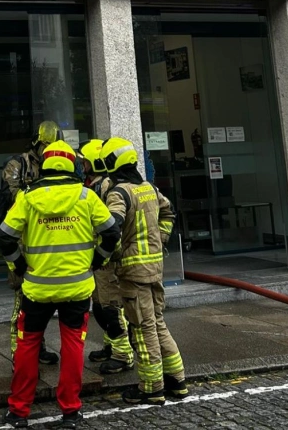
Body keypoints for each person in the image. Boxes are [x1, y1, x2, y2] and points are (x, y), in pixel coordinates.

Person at [0, 140, 121, 429]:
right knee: (73, 347)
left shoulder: (27, 197)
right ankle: (71, 411)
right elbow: (112, 233)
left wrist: (18, 265)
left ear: (45, 166)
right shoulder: (86, 196)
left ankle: (19, 412)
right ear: (71, 165)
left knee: (28, 346)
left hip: (36, 288)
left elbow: (4, 236)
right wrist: (97, 260)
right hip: (77, 289)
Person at [98, 137, 189, 405]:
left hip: (132, 272)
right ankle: (177, 380)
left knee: (142, 328)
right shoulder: (147, 187)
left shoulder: (119, 192)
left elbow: (111, 225)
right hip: (154, 268)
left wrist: (105, 254)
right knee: (158, 322)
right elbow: (168, 212)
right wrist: (159, 240)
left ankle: (151, 388)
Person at [0, 120, 65, 366]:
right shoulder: (19, 164)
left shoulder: (56, 164)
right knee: (22, 300)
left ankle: (39, 347)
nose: (49, 151)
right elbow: (10, 193)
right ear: (37, 143)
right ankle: (20, 354)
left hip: (45, 240)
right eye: (46, 146)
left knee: (43, 303)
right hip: (21, 241)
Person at [77, 139, 134, 375]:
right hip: (99, 256)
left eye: (85, 162)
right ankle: (111, 346)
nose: (83, 166)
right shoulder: (96, 185)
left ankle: (123, 354)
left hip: (107, 258)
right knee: (100, 306)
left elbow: (109, 225)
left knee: (110, 306)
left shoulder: (104, 186)